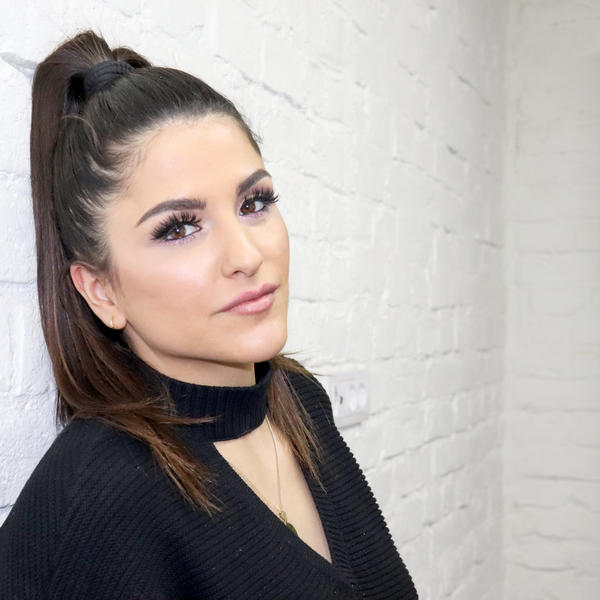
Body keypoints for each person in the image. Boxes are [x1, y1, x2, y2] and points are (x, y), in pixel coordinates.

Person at [0, 30, 418, 599]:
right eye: (178, 229)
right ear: (101, 291)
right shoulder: (98, 497)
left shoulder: (298, 401)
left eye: (254, 203)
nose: (247, 255)